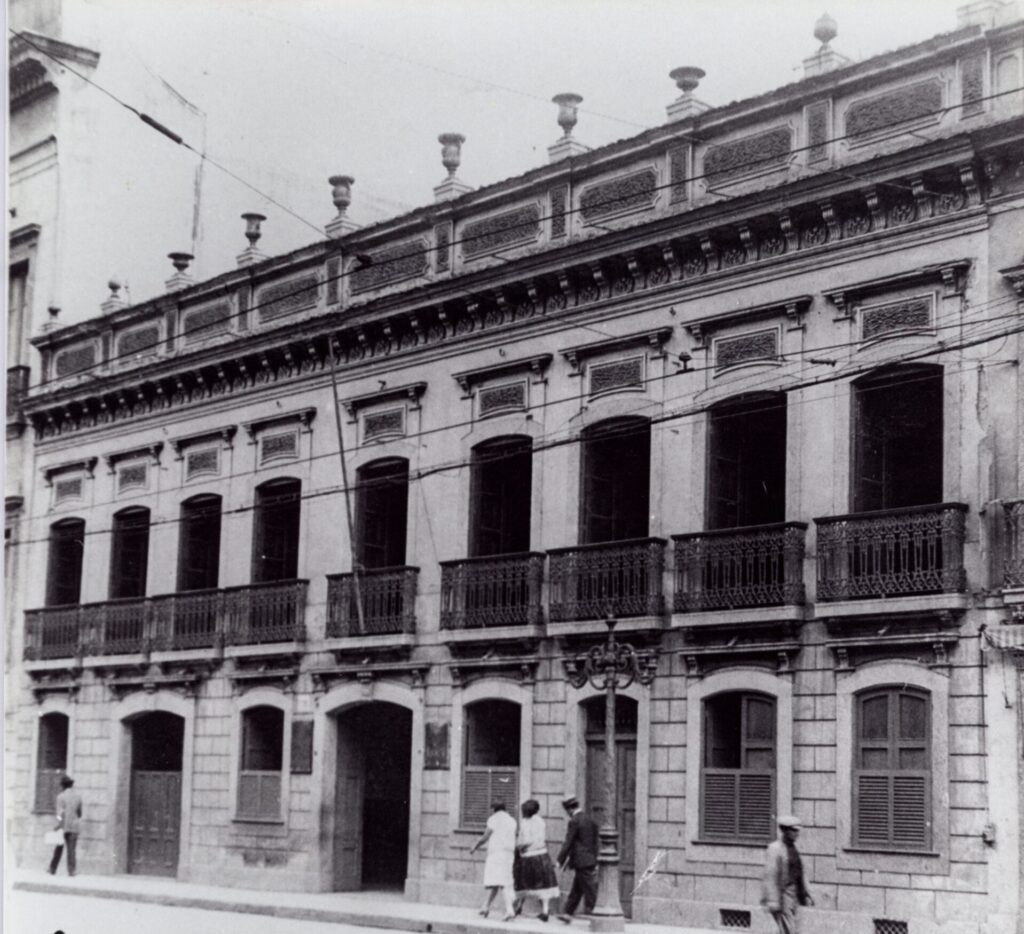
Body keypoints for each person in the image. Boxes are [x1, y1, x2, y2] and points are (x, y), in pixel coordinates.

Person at [761, 815, 813, 934]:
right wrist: (773, 900)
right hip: (783, 894)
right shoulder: (775, 849)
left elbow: (800, 871)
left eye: (797, 830)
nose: (796, 833)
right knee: (789, 929)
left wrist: (808, 893)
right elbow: (770, 875)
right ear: (784, 830)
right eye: (793, 830)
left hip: (796, 894)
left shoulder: (794, 848)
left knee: (791, 928)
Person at [513, 799, 560, 921]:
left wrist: (518, 846)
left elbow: (527, 840)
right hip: (542, 855)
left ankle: (518, 906)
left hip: (529, 856)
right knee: (543, 885)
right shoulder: (541, 821)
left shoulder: (525, 822)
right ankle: (545, 911)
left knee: (524, 883)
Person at [555, 795, 599, 923]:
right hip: (589, 859)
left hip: (581, 861)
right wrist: (594, 859)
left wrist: (560, 860)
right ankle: (568, 913)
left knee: (589, 889)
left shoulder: (574, 821)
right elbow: (595, 842)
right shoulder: (590, 820)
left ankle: (599, 913)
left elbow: (568, 842)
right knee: (577, 888)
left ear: (569, 809)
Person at [471, 801, 518, 920]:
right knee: (499, 881)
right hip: (509, 853)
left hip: (497, 854)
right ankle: (485, 906)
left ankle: (509, 910)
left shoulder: (493, 819)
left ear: (493, 809)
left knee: (501, 882)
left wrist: (475, 846)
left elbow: (485, 837)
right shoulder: (512, 820)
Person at [48, 775, 83, 876]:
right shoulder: (78, 797)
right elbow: (80, 813)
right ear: (71, 785)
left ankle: (52, 869)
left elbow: (59, 814)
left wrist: (57, 825)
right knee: (71, 850)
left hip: (63, 826)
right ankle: (72, 871)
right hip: (74, 826)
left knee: (58, 849)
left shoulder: (60, 797)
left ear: (63, 786)